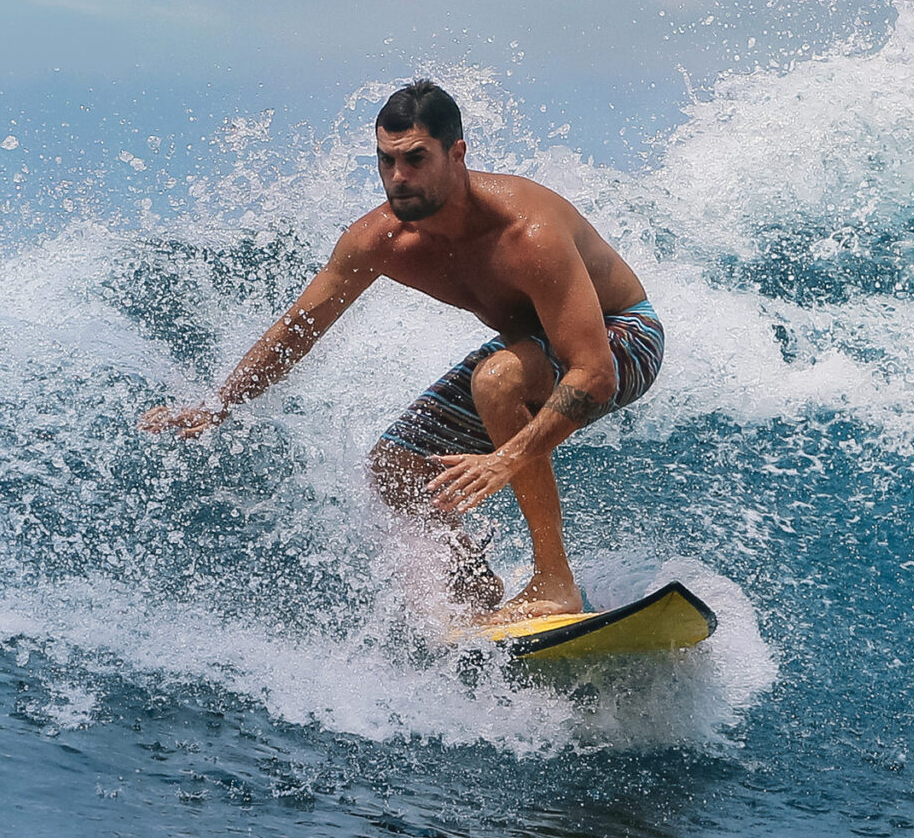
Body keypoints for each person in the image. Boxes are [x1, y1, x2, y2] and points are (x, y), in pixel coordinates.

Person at [138, 83, 663, 621]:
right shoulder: (381, 240)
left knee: (497, 380)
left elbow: (593, 372)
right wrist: (221, 404)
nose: (398, 178)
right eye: (386, 161)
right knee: (394, 467)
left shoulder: (527, 233)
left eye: (415, 159)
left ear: (456, 153)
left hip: (621, 334)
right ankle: (473, 592)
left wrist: (507, 459)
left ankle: (554, 582)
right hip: (530, 347)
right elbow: (297, 330)